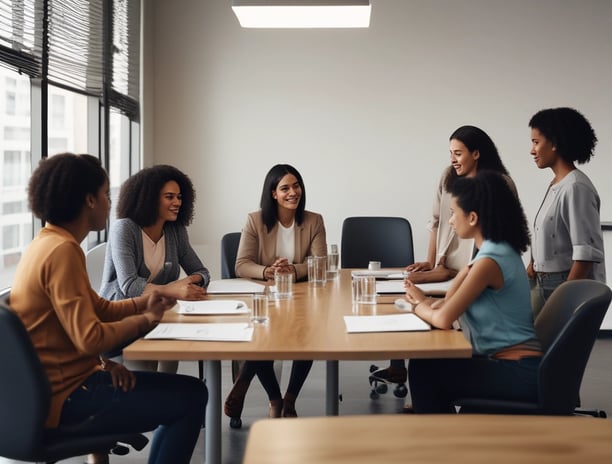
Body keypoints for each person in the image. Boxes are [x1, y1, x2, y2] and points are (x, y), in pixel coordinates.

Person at [10, 153, 207, 464]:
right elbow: (91, 338)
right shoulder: (62, 251)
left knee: (188, 392)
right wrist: (147, 318)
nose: (109, 202)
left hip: (65, 387)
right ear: (89, 200)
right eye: (105, 194)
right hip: (70, 398)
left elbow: (98, 307)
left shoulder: (47, 243)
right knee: (191, 395)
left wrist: (146, 302)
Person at [373, 125, 516, 391]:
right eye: (450, 152)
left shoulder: (496, 190)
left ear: (476, 153)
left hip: (471, 284)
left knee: (430, 334)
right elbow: (437, 222)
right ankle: (408, 376)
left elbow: (444, 315)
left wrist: (421, 304)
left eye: (458, 153)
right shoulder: (449, 178)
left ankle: (438, 401)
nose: (452, 159)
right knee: (421, 308)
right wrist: (434, 265)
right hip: (451, 272)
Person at [404, 170, 541, 413]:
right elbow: (450, 301)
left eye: (453, 213)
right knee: (428, 363)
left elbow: (445, 319)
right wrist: (426, 300)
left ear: (473, 218)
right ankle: (449, 438)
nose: (450, 221)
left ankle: (441, 444)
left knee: (424, 368)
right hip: (514, 364)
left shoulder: (489, 262)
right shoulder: (497, 251)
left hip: (516, 371)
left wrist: (418, 306)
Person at [225, 164, 327, 428]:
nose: (293, 192)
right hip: (266, 295)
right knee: (263, 338)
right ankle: (275, 399)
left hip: (301, 294)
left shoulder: (314, 220)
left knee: (309, 335)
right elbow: (242, 264)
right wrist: (268, 270)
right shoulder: (255, 221)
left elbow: (321, 263)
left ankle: (289, 398)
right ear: (273, 194)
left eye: (296, 186)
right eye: (285, 188)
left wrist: (292, 270)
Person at [100, 164, 211, 373]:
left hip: (159, 315)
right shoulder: (124, 229)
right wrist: (173, 289)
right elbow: (130, 286)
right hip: (121, 319)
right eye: (169, 197)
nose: (177, 202)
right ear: (149, 198)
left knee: (171, 364)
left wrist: (190, 282)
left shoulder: (175, 231)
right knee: (149, 378)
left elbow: (203, 273)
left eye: (179, 197)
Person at [526, 107, 605, 317]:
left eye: (536, 142)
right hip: (545, 282)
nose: (532, 150)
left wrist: (566, 298)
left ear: (554, 143)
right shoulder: (558, 184)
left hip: (560, 284)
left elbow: (585, 253)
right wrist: (534, 264)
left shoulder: (575, 187)